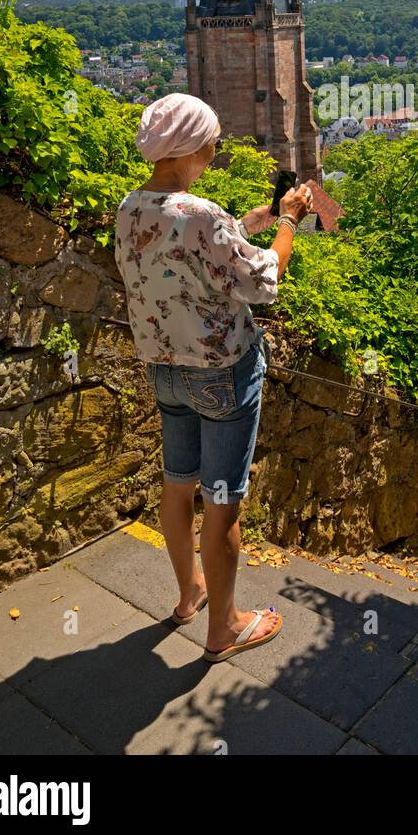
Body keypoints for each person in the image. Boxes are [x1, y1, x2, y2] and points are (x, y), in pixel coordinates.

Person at [114, 92, 313, 661]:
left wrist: (255, 220)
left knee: (178, 485)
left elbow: (188, 253)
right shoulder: (201, 216)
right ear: (192, 145)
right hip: (222, 374)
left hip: (164, 370)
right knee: (223, 500)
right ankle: (225, 628)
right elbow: (264, 280)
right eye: (213, 143)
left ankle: (189, 596)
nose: (215, 151)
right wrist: (289, 222)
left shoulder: (132, 207)